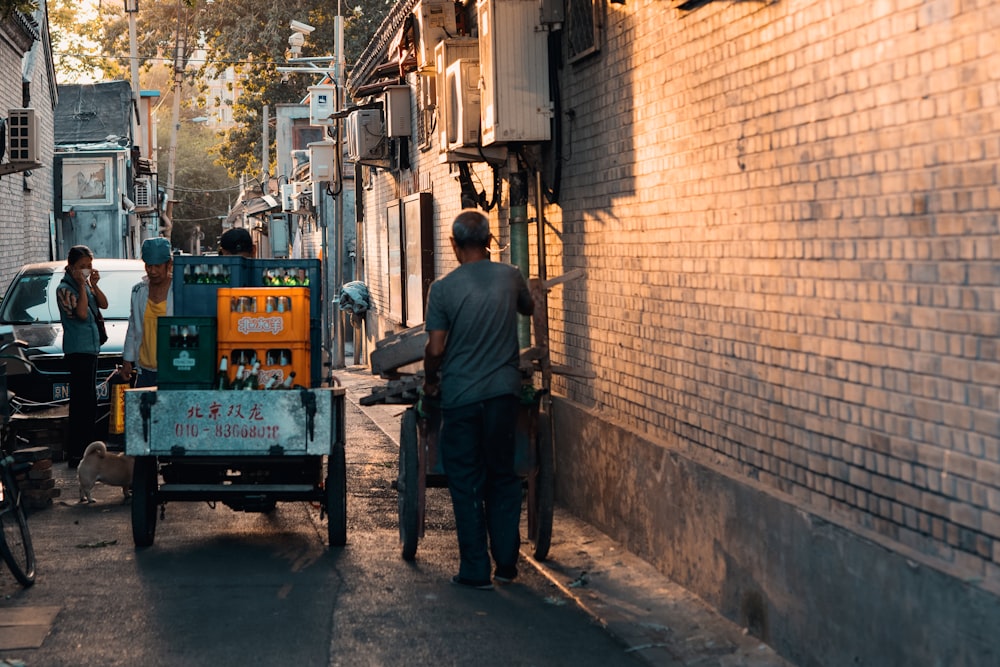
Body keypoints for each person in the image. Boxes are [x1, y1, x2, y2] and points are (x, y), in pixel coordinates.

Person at [422, 209, 534, 590]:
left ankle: (475, 568)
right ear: (490, 241)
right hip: (504, 395)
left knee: (466, 480)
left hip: (461, 398)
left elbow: (435, 347)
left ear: (453, 245)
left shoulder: (443, 289)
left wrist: (430, 380)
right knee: (503, 477)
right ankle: (506, 565)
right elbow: (529, 307)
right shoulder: (510, 276)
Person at [56, 246, 109, 468]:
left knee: (90, 401)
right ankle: (76, 452)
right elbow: (82, 314)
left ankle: (87, 448)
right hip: (78, 350)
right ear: (70, 267)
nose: (86, 270)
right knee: (80, 402)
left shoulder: (87, 286)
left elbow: (103, 305)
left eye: (89, 266)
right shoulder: (65, 289)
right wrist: (80, 284)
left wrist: (93, 285)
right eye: (81, 267)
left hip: (91, 347)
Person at [121, 237, 173, 388]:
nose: (152, 271)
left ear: (169, 264)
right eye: (149, 266)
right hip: (144, 369)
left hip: (171, 369)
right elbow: (133, 326)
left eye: (157, 266)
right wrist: (127, 359)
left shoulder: (179, 291)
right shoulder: (138, 291)